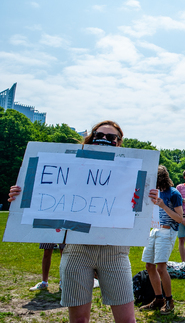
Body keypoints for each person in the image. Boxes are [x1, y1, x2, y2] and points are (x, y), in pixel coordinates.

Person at [9, 120, 136, 323]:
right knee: (78, 320)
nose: (104, 139)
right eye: (99, 134)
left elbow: (137, 209)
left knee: (127, 320)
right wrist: (22, 192)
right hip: (77, 249)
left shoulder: (131, 171)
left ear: (119, 142)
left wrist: (150, 199)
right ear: (91, 137)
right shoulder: (71, 166)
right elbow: (48, 193)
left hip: (114, 250)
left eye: (110, 137)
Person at [140, 166, 184, 314]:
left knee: (160, 267)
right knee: (149, 266)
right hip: (155, 230)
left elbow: (180, 219)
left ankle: (169, 300)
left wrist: (163, 206)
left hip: (167, 231)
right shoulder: (154, 192)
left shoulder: (174, 193)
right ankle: (158, 299)